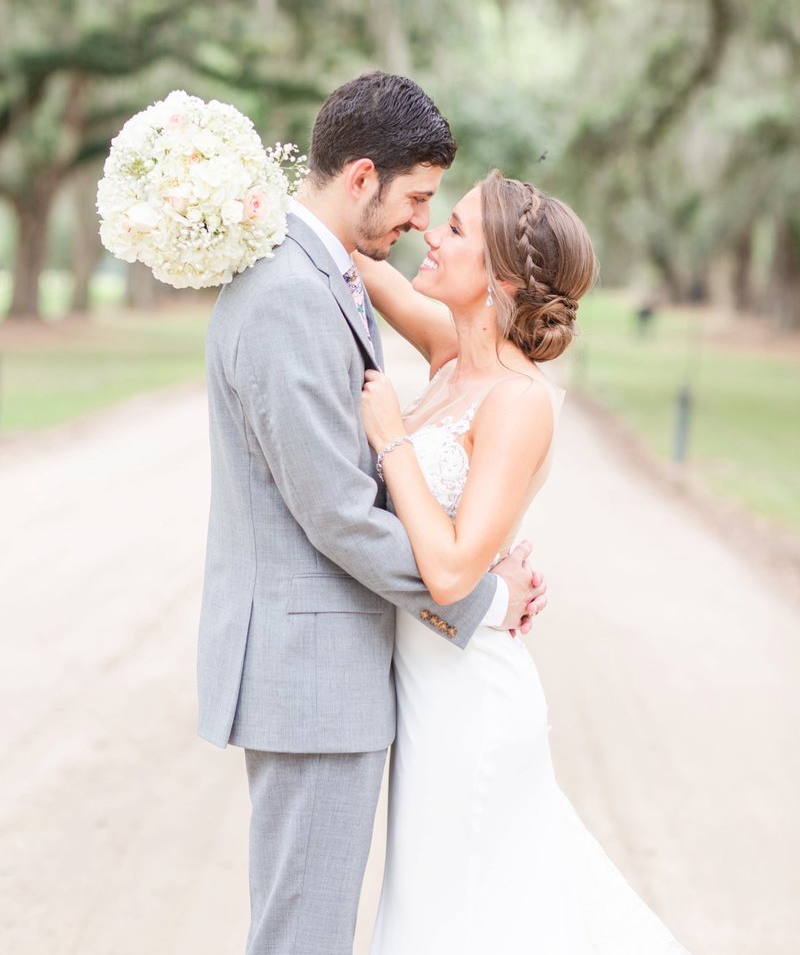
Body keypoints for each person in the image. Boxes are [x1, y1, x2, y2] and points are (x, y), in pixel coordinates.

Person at [196, 73, 547, 955]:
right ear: (361, 178)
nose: (423, 223)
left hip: (353, 677)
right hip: (314, 679)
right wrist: (487, 598)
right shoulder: (288, 292)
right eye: (420, 200)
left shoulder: (321, 268)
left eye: (444, 215)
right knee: (304, 936)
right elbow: (340, 515)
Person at [358, 170, 690, 954]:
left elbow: (451, 574)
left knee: (464, 923)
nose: (431, 230)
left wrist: (392, 439)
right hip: (425, 696)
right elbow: (357, 261)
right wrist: (251, 198)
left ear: (501, 280)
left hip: (470, 705)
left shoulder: (518, 401)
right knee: (440, 915)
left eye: (456, 228)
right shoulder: (452, 356)